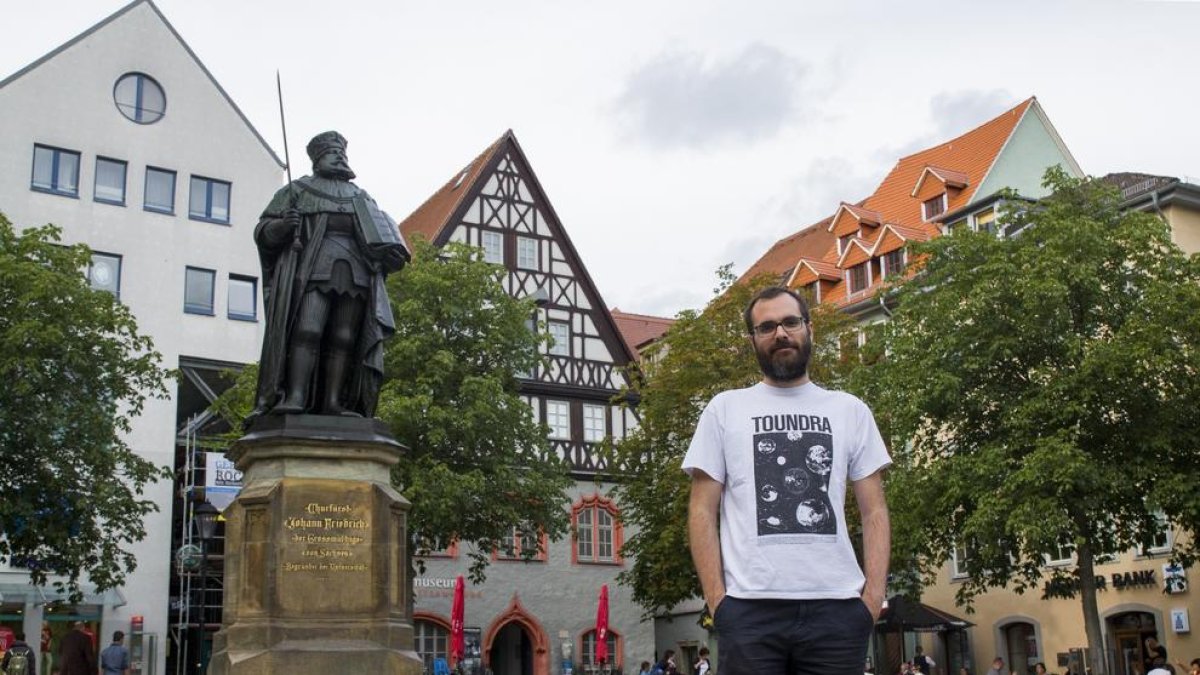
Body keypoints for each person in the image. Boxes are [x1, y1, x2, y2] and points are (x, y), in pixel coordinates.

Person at [684, 286, 891, 675]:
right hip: (749, 610)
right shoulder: (724, 409)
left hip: (838, 608)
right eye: (766, 327)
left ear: (808, 329)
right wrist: (718, 600)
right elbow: (700, 509)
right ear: (753, 340)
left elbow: (874, 509)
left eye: (790, 322)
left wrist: (872, 599)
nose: (780, 333)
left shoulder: (849, 410)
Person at [248, 131, 409, 421]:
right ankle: (296, 396)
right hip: (314, 269)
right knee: (307, 329)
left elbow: (381, 238)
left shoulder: (361, 196)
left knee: (343, 337)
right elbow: (263, 232)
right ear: (317, 159)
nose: (339, 156)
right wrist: (283, 226)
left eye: (342, 152)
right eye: (332, 153)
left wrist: (391, 255)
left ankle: (334, 402)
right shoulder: (297, 191)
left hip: (356, 273)